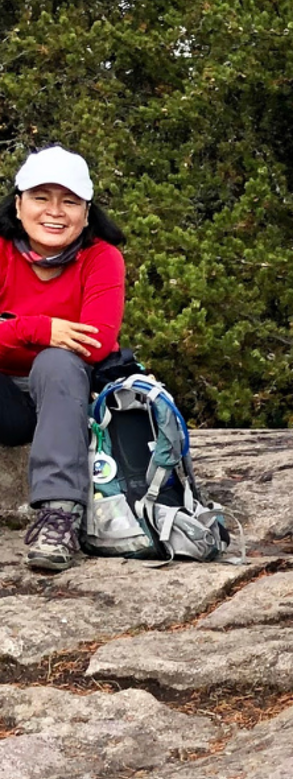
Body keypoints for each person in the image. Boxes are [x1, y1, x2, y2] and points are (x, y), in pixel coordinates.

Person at [0, 147, 126, 574]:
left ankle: (59, 514)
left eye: (69, 201)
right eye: (41, 197)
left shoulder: (102, 258)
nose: (55, 212)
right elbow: (64, 334)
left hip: (66, 397)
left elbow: (94, 343)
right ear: (18, 204)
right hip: (6, 403)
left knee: (57, 362)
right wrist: (41, 328)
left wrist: (10, 328)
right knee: (54, 350)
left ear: (86, 213)